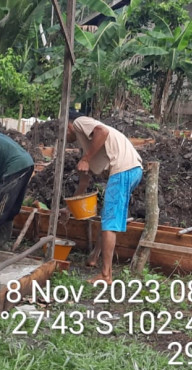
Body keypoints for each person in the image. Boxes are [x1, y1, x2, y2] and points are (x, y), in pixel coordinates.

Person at [66, 110, 143, 284]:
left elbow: (103, 131)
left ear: (68, 125)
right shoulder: (86, 142)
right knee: (107, 218)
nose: (64, 137)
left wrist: (86, 159)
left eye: (63, 132)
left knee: (109, 221)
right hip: (130, 170)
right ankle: (95, 257)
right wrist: (69, 207)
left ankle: (106, 275)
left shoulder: (79, 122)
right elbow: (84, 180)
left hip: (123, 170)